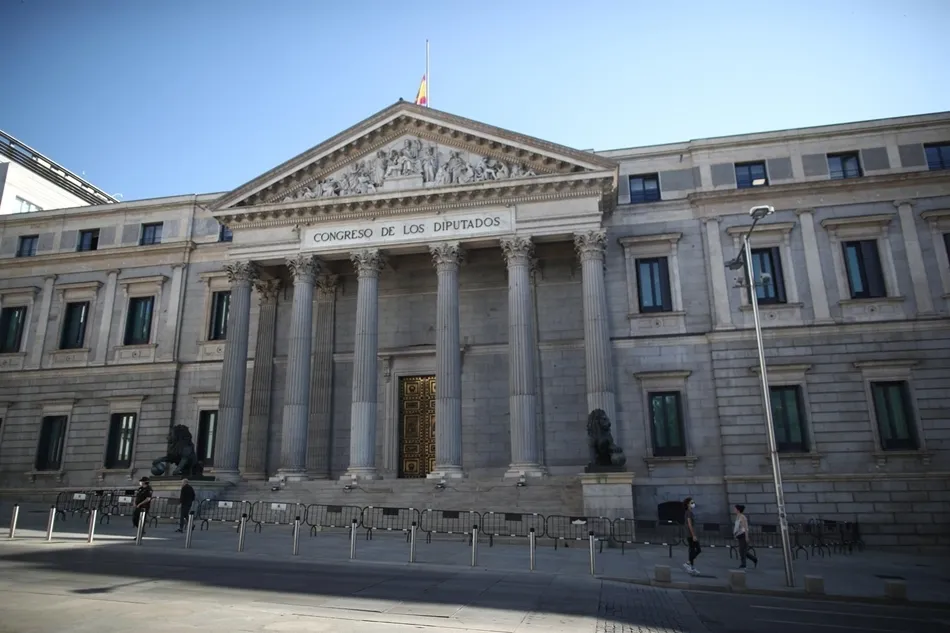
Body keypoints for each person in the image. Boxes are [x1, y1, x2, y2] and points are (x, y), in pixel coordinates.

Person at [733, 504, 758, 568]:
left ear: (738, 510)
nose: (734, 510)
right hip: (739, 535)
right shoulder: (737, 516)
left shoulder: (742, 517)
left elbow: (745, 527)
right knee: (744, 551)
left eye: (735, 509)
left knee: (742, 550)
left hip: (743, 534)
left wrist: (746, 536)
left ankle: (743, 564)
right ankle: (754, 559)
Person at [682, 496, 701, 575]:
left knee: (692, 550)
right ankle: (688, 563)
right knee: (698, 549)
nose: (693, 504)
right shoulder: (689, 513)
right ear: (688, 504)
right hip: (690, 534)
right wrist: (693, 535)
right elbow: (690, 524)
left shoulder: (689, 512)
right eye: (691, 503)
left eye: (693, 502)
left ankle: (691, 567)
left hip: (690, 534)